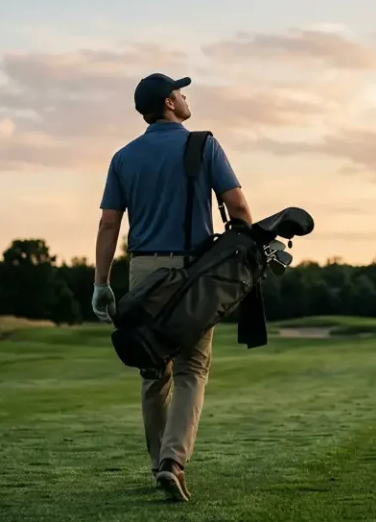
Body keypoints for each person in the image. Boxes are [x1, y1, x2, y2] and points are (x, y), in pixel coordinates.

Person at [89, 72, 252, 502]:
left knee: (151, 370)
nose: (185, 97)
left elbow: (109, 222)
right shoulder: (203, 145)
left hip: (142, 271)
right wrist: (243, 252)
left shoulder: (123, 157)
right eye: (181, 92)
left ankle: (157, 462)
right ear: (169, 102)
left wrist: (101, 283)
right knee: (191, 368)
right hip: (192, 274)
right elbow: (236, 205)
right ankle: (172, 462)